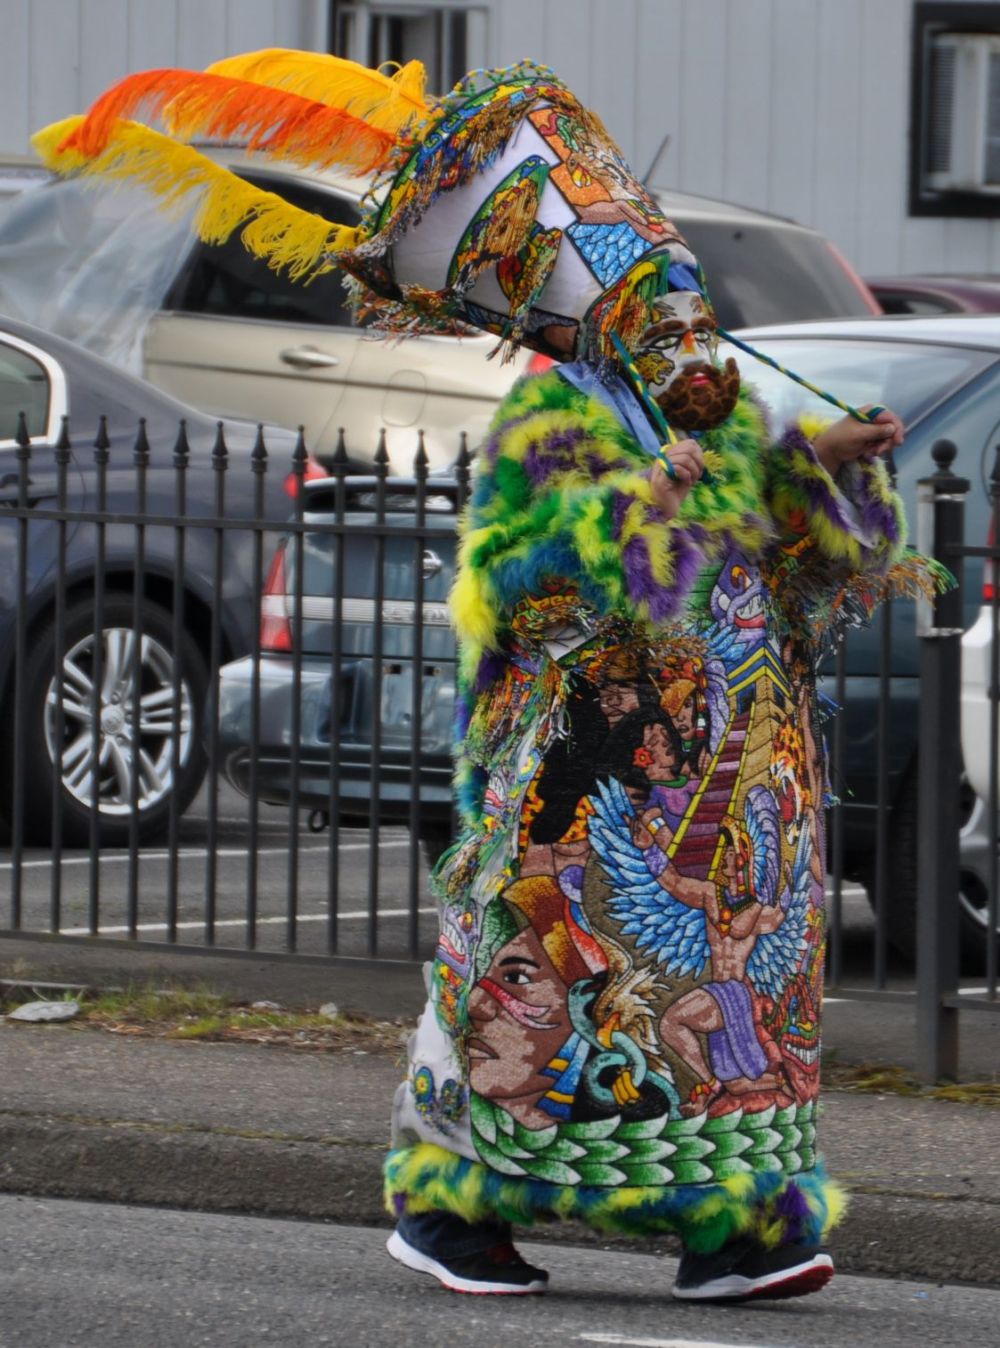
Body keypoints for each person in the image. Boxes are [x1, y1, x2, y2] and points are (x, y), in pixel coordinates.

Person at [37, 53, 941, 1304]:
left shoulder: (724, 415)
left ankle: (741, 1220)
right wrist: (637, 503)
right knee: (556, 995)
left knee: (732, 996)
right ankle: (455, 1207)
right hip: (595, 790)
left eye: (688, 304)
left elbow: (801, 569)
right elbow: (511, 584)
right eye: (657, 307)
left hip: (739, 804)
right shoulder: (551, 419)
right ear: (607, 316)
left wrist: (830, 466)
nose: (687, 330)